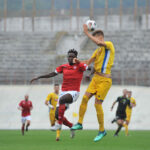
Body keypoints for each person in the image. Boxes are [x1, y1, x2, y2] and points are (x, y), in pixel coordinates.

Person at [30, 49, 93, 140]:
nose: (70, 58)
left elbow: (92, 68)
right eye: (69, 56)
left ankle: (58, 125)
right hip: (63, 92)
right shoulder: (63, 67)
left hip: (74, 92)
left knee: (62, 100)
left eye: (72, 56)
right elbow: (52, 74)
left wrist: (89, 75)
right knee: (57, 115)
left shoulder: (80, 65)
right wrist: (39, 77)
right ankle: (71, 126)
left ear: (75, 58)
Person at [71, 24, 115, 142]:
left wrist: (87, 33)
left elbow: (99, 43)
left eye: (98, 36)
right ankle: (80, 123)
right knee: (85, 99)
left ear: (102, 37)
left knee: (97, 104)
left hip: (105, 81)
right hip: (96, 79)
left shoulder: (109, 45)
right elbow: (88, 62)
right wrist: (78, 62)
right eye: (95, 36)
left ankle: (102, 130)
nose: (97, 38)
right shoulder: (97, 51)